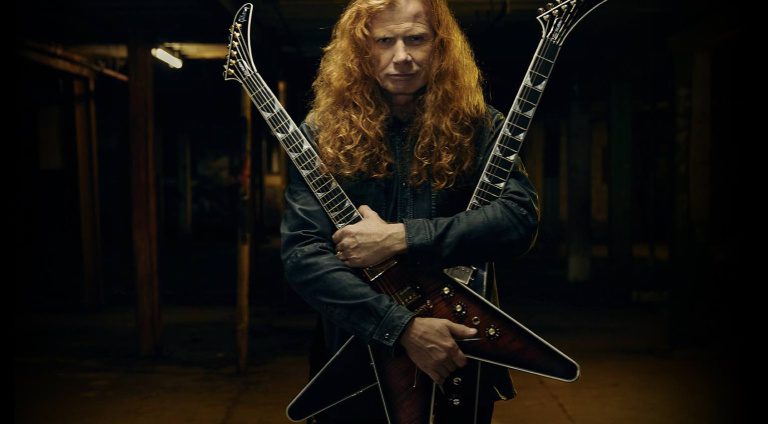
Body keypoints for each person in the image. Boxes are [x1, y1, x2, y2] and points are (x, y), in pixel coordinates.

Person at [280, 0, 540, 422]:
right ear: (362, 51)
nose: (402, 56)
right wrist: (401, 328)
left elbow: (518, 219)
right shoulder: (321, 133)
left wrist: (401, 238)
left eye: (416, 39)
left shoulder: (480, 125)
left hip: (458, 353)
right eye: (385, 41)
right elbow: (303, 255)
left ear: (440, 46)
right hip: (354, 357)